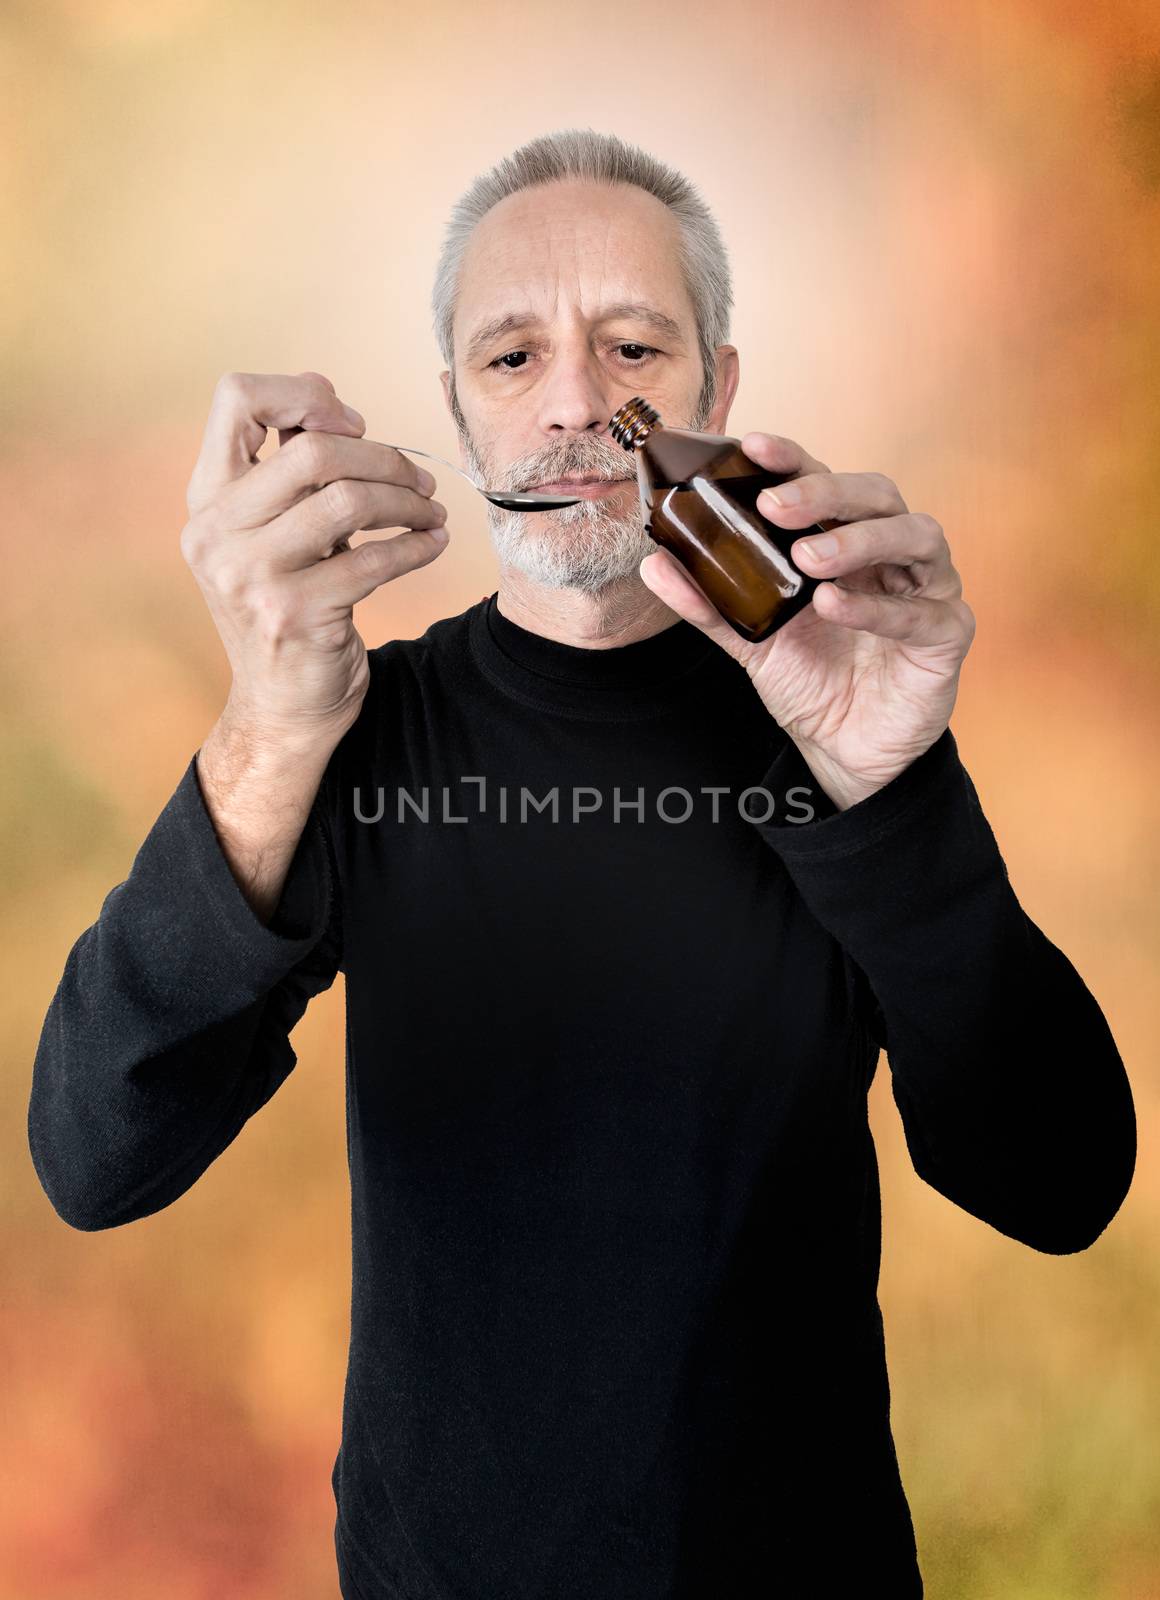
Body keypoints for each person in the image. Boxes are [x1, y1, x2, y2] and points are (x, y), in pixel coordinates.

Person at [28, 127, 1136, 1600]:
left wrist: (893, 790)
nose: (577, 405)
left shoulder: (839, 715)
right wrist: (267, 728)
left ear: (718, 394)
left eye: (632, 345)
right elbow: (97, 1156)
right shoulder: (362, 731)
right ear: (457, 418)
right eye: (511, 359)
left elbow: (1060, 1183)